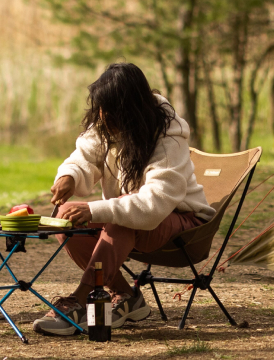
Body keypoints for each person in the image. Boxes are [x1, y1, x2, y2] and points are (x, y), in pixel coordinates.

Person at [31, 63, 215, 336]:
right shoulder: (108, 122)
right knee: (66, 216)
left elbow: (152, 205)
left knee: (121, 217)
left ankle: (81, 300)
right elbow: (83, 156)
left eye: (110, 110)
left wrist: (96, 209)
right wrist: (69, 175)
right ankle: (126, 296)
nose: (103, 117)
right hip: (135, 223)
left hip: (182, 222)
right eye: (101, 109)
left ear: (131, 109)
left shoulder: (169, 137)